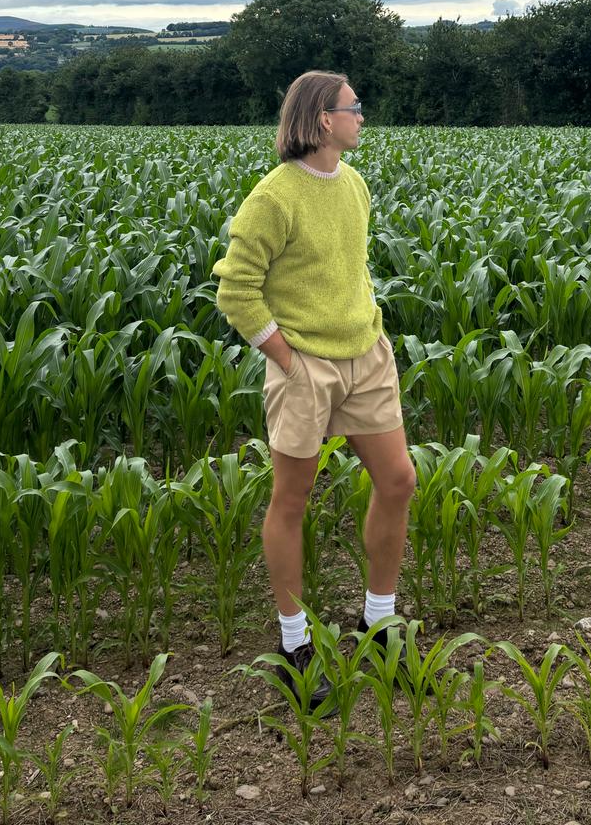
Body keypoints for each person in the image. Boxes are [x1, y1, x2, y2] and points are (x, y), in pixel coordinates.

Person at [212, 69, 417, 705]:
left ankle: (378, 625)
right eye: (356, 108)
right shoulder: (274, 198)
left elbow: (346, 271)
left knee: (399, 480)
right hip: (306, 365)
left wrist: (370, 334)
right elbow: (235, 289)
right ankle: (294, 642)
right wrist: (288, 360)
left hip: (365, 356)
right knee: (292, 498)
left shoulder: (352, 184)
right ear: (324, 119)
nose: (363, 117)